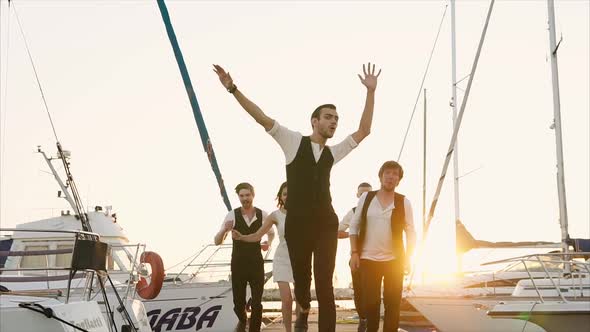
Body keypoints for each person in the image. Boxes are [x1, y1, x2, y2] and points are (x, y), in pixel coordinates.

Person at [213, 62, 380, 332]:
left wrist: (371, 92)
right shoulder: (293, 142)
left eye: (336, 118)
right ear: (314, 121)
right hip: (297, 227)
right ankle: (303, 306)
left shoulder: (332, 153)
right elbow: (261, 117)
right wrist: (233, 88)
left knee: (324, 285)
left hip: (325, 223)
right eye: (328, 117)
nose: (334, 122)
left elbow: (364, 131)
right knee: (302, 285)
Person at [349, 161, 416, 332]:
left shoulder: (403, 202)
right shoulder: (367, 198)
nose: (391, 177)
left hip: (395, 260)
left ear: (399, 179)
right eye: (388, 173)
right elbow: (354, 227)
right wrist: (354, 253)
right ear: (381, 175)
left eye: (395, 174)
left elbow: (411, 232)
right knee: (371, 304)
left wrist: (408, 257)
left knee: (392, 305)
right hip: (368, 259)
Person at [233, 182, 302, 332]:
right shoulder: (275, 215)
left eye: (290, 193)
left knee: (301, 299)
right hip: (282, 259)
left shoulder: (304, 212)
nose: (287, 196)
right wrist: (242, 237)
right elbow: (258, 235)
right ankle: (288, 331)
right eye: (284, 194)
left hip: (300, 260)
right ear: (280, 197)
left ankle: (300, 327)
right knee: (287, 299)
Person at [214, 182, 275, 332]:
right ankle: (243, 320)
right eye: (241, 196)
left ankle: (254, 330)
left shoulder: (263, 214)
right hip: (238, 263)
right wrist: (224, 231)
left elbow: (271, 232)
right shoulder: (232, 215)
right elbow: (217, 241)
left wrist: (268, 242)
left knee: (256, 302)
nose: (245, 198)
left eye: (247, 195)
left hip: (256, 263)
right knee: (238, 303)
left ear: (253, 195)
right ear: (239, 197)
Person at [337, 182, 373, 332]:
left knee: (373, 290)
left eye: (368, 193)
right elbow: (337, 232)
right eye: (361, 193)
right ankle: (363, 319)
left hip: (377, 258)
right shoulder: (352, 213)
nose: (364, 196)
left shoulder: (379, 211)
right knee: (359, 290)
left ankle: (372, 320)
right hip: (356, 257)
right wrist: (354, 234)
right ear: (357, 195)